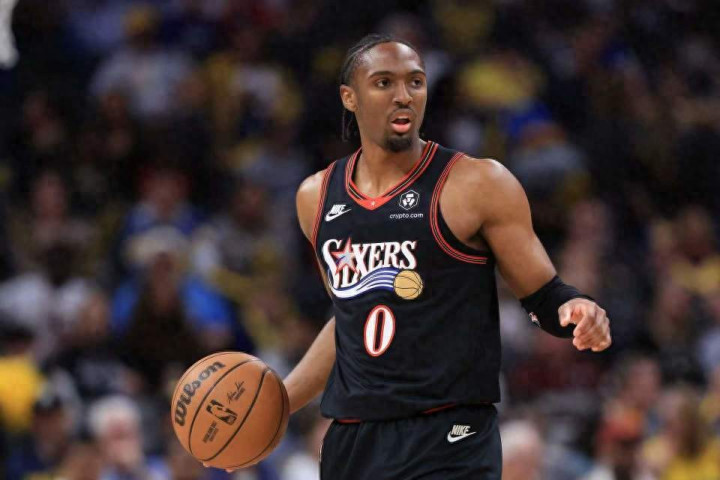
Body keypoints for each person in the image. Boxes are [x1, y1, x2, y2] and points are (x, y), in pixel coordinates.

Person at [229, 33, 612, 479]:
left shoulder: (478, 183)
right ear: (349, 98)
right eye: (384, 83)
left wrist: (576, 308)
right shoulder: (316, 197)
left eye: (415, 82)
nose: (403, 96)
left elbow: (545, 295)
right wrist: (278, 405)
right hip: (355, 438)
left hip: (450, 433)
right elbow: (351, 320)